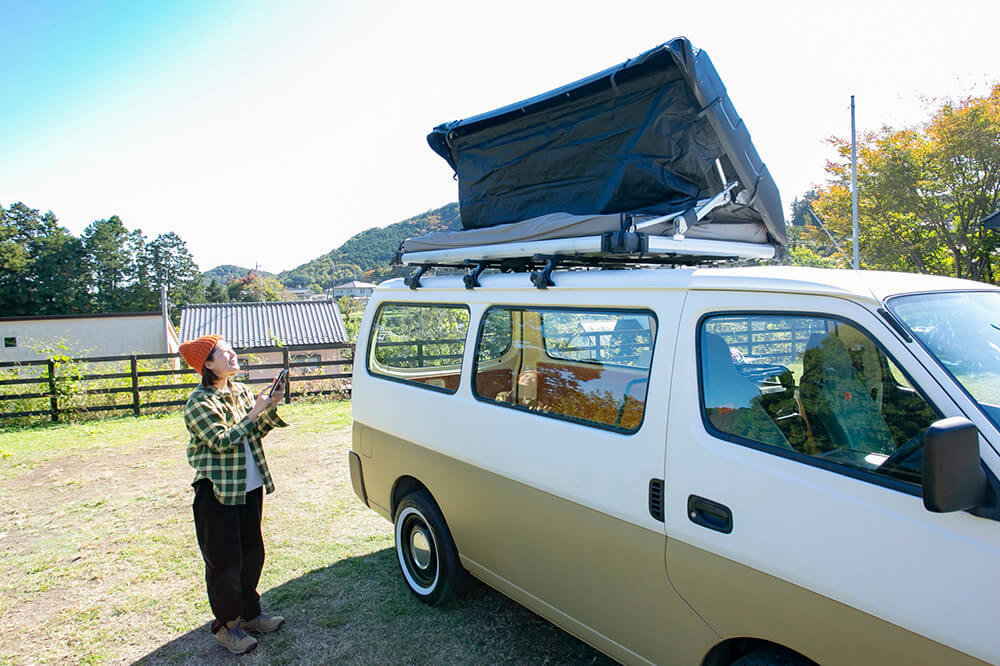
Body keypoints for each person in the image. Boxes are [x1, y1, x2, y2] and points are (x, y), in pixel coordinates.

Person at [178, 334, 288, 655]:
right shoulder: (199, 403)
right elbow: (222, 441)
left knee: (253, 554)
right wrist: (253, 414)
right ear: (207, 364)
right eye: (223, 352)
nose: (232, 354)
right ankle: (227, 627)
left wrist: (269, 407)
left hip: (249, 486)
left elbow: (255, 431)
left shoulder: (239, 390)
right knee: (225, 563)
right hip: (217, 493)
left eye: (230, 349)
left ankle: (251, 615)